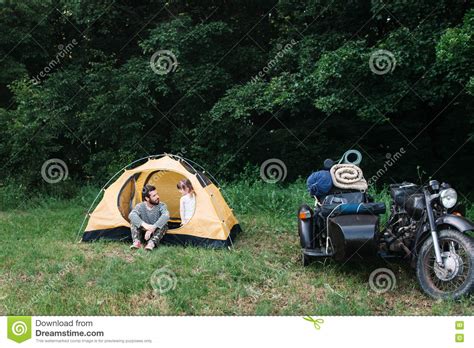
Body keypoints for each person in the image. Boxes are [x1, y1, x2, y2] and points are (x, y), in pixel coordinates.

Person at [128, 184, 169, 251]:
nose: (157, 197)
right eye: (154, 196)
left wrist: (152, 228)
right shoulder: (140, 206)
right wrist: (145, 225)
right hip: (144, 229)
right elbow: (131, 215)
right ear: (147, 198)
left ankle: (151, 243)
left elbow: (166, 215)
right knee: (133, 221)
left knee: (164, 224)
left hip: (155, 230)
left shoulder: (162, 205)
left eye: (157, 194)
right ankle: (137, 242)